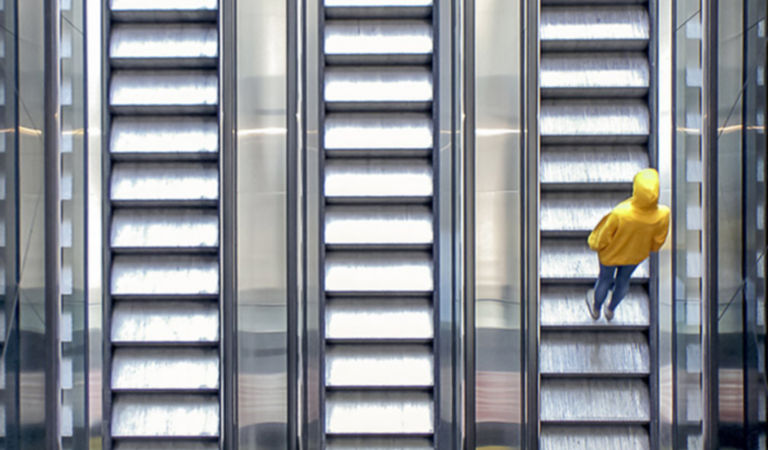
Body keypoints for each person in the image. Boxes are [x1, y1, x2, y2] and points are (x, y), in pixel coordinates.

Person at [586, 168, 670, 321]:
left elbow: (603, 236)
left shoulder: (621, 213)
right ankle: (611, 310)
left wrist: (594, 244)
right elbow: (658, 240)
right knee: (623, 281)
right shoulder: (663, 214)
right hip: (635, 255)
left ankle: (596, 308)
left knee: (605, 279)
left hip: (611, 255)